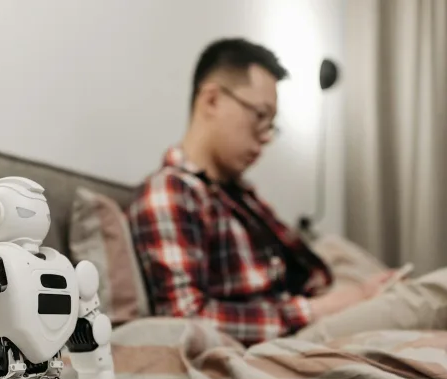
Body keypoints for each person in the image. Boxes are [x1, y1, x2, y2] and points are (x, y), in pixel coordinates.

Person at [126, 38, 393, 345]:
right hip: (292, 331)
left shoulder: (238, 191)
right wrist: (319, 308)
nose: (266, 136)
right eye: (259, 116)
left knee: (371, 269)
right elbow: (185, 320)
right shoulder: (170, 190)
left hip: (315, 299)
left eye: (271, 124)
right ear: (212, 100)